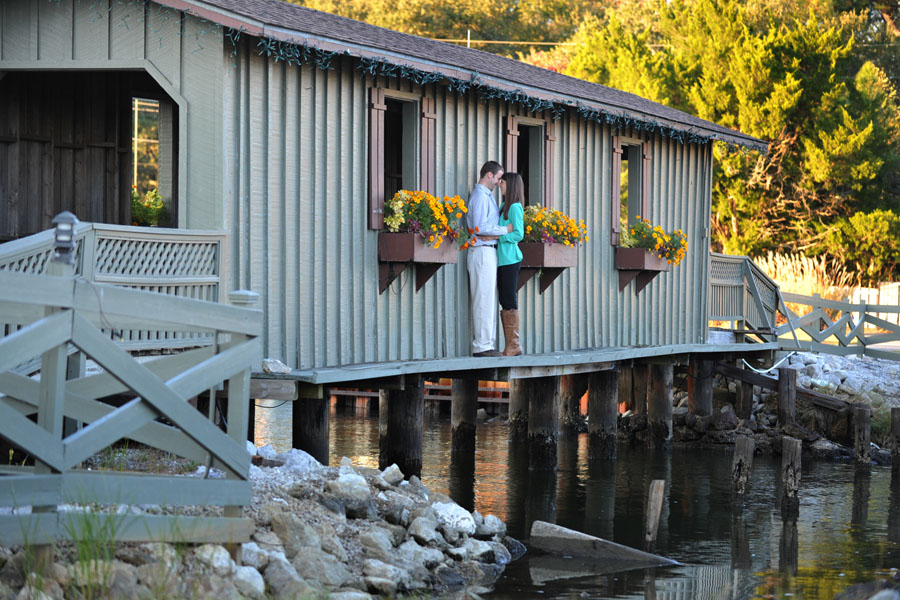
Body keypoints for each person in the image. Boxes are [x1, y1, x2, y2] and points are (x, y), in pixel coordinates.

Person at [466, 160, 513, 357]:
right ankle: (481, 346)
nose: (499, 182)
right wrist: (505, 230)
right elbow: (479, 226)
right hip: (481, 250)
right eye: (498, 177)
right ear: (489, 175)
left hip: (488, 250)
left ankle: (487, 343)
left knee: (488, 299)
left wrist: (496, 235)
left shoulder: (487, 196)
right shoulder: (479, 196)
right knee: (483, 299)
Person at [497, 172, 525, 356]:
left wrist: (501, 236)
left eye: (503, 183)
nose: (500, 185)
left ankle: (514, 345)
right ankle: (511, 345)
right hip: (501, 259)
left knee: (509, 299)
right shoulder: (502, 206)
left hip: (510, 259)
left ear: (511, 185)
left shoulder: (515, 207)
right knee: (504, 299)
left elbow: (519, 234)